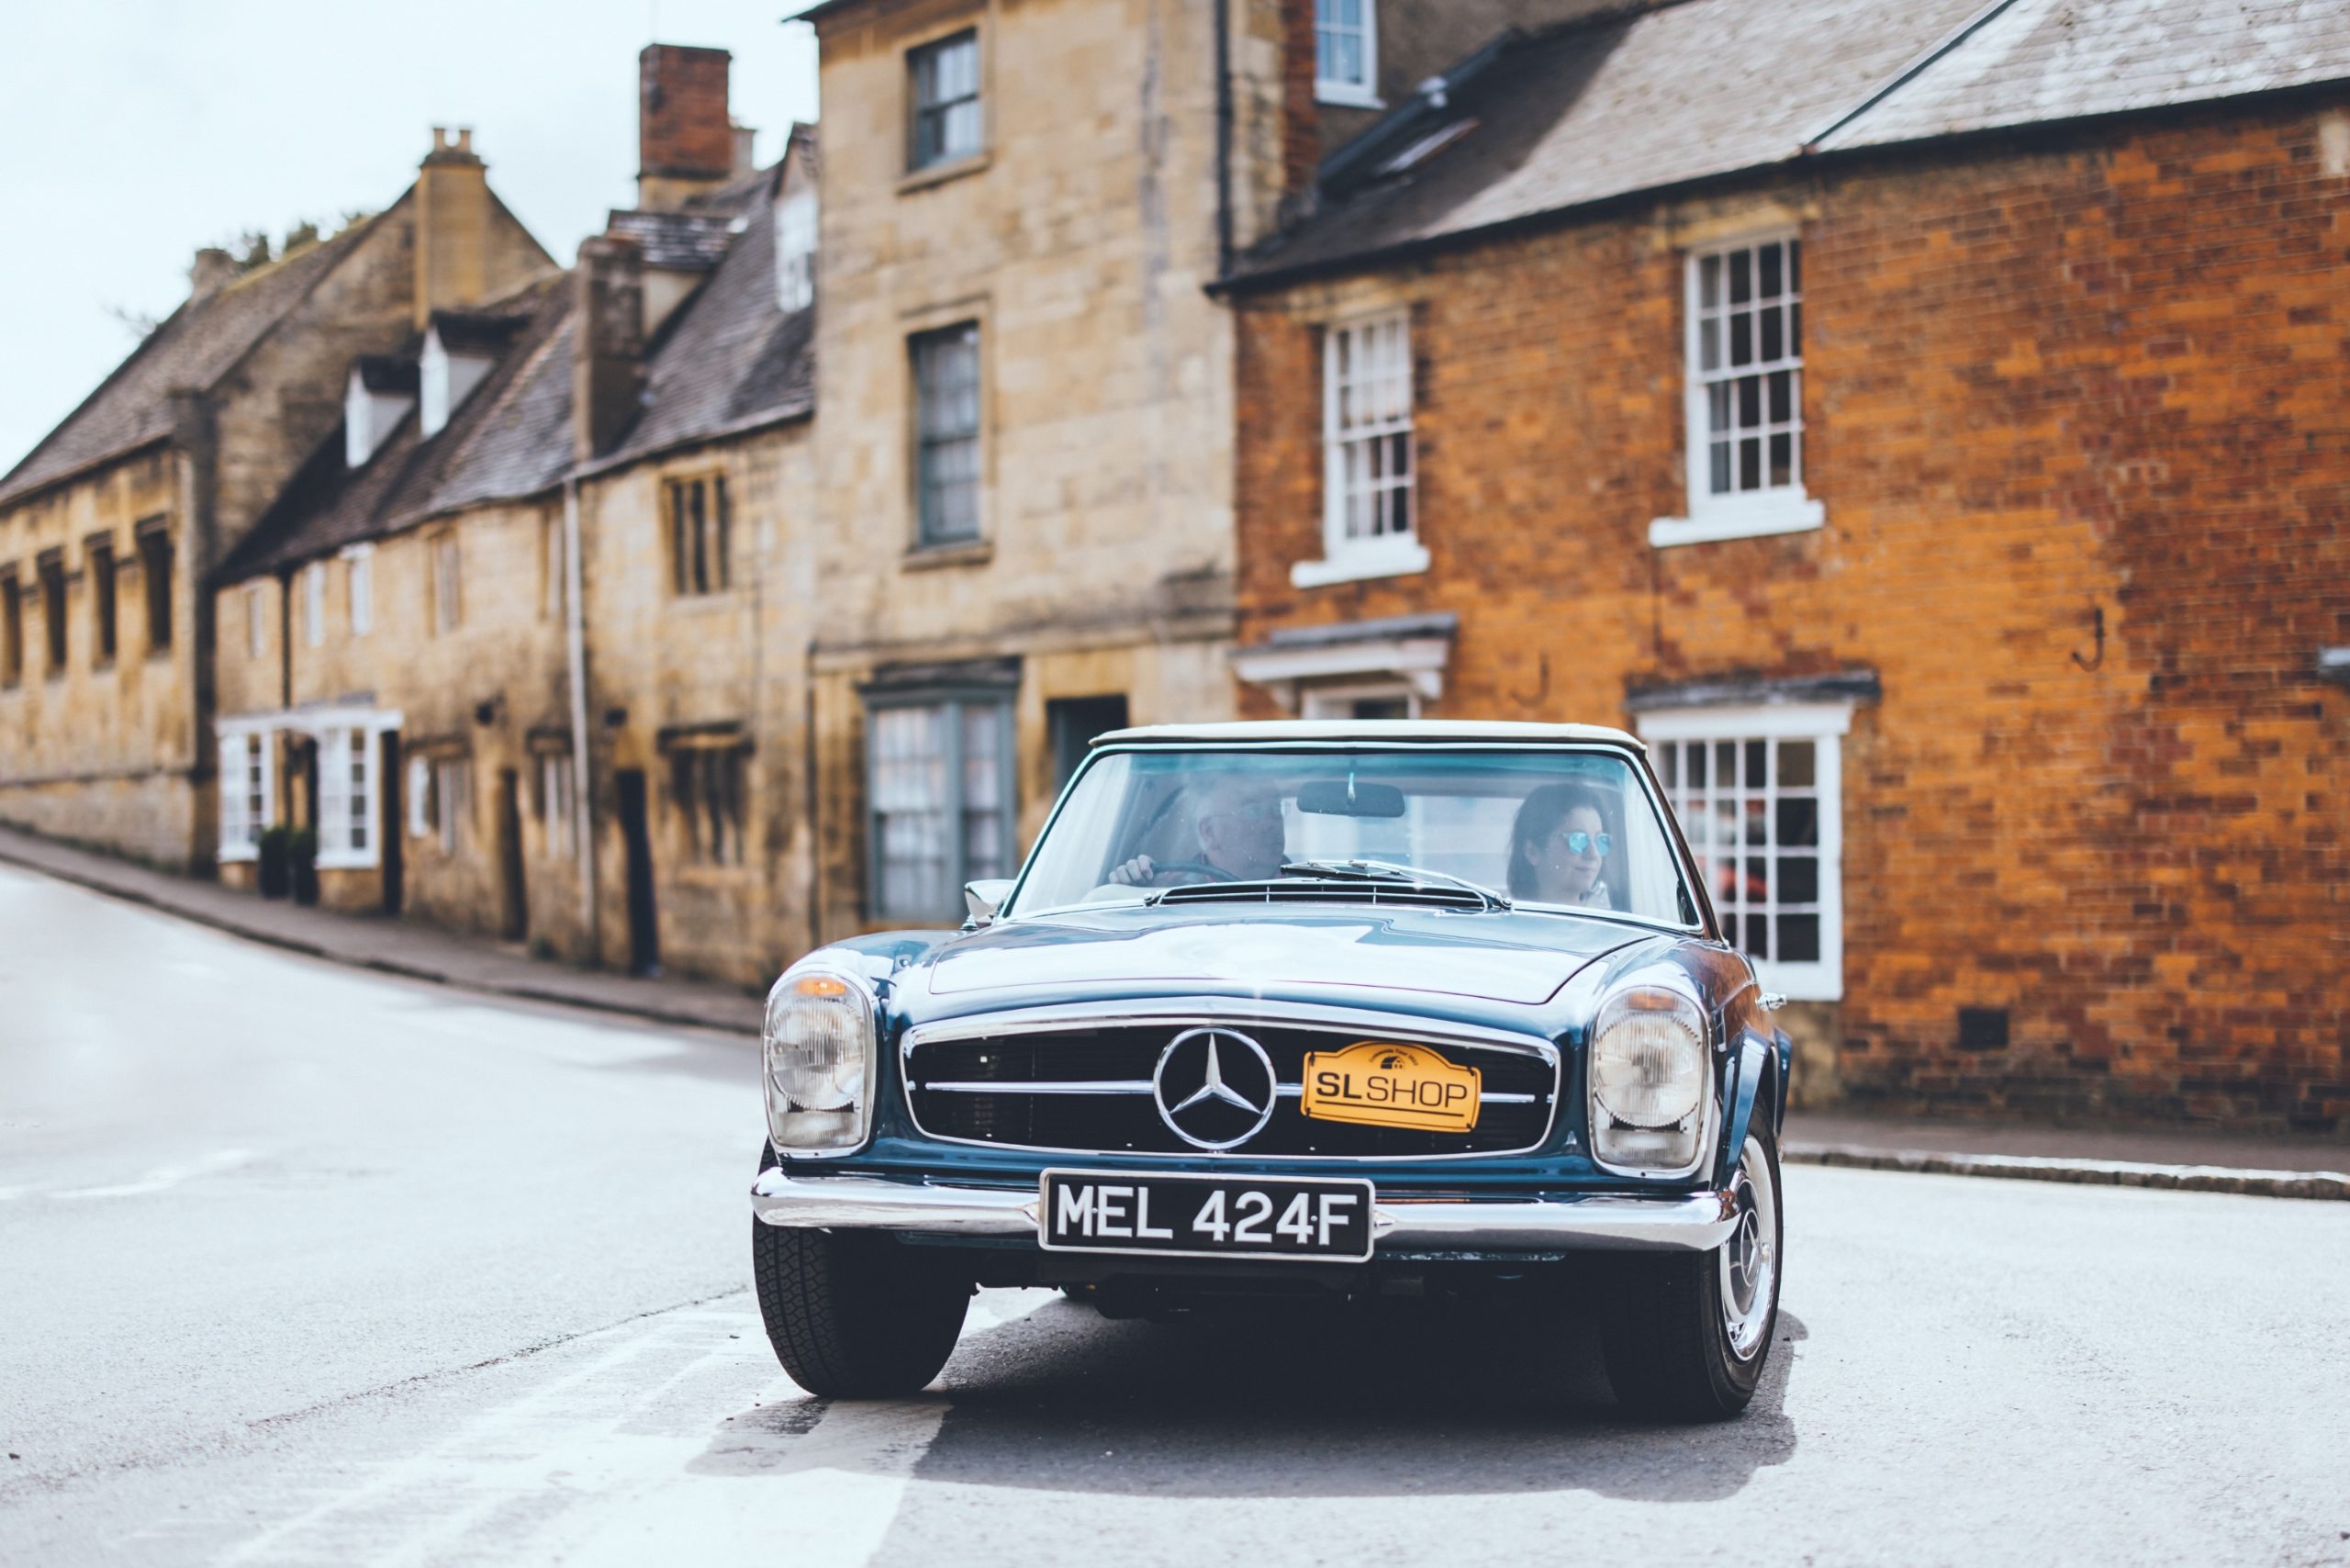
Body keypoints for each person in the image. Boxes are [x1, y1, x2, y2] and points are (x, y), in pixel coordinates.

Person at [1109, 778, 1288, 887]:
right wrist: (1132, 882)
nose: (1272, 822)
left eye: (1275, 807)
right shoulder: (1166, 891)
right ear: (1210, 832)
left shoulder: (1311, 885)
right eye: (1253, 811)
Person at [1507, 783, 1616, 907]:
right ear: (1533, 852)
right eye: (1578, 840)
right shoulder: (1506, 925)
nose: (1594, 855)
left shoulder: (1607, 924)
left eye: (1601, 841)